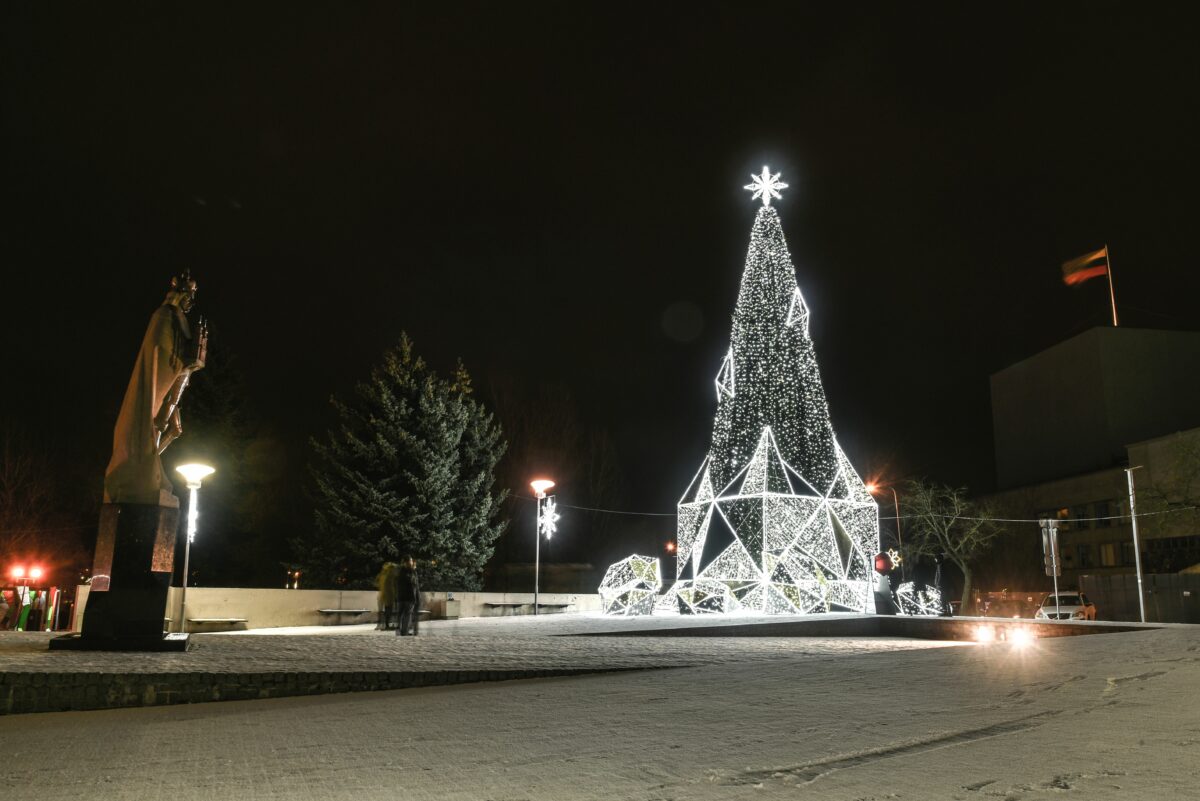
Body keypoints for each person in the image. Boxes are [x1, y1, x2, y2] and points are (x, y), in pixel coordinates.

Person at [395, 556, 420, 636]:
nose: (412, 562)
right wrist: (413, 570)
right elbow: (412, 582)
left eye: (412, 561)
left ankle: (402, 631)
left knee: (402, 614)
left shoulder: (401, 571)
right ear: (407, 562)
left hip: (402, 596)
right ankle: (404, 631)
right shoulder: (408, 572)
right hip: (408, 597)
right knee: (406, 615)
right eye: (411, 561)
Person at [375, 562, 398, 630]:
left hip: (382, 594)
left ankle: (381, 624)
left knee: (382, 610)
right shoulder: (391, 574)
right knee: (388, 610)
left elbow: (376, 582)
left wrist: (380, 586)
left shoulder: (382, 574)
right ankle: (387, 625)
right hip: (389, 594)